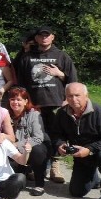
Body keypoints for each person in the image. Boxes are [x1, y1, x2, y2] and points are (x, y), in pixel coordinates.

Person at [18, 26, 78, 183]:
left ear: (53, 37)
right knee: (36, 138)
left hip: (56, 104)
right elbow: (21, 83)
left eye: (47, 35)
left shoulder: (62, 56)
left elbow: (73, 81)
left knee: (55, 136)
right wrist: (26, 103)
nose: (44, 38)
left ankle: (54, 166)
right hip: (34, 106)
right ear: (36, 38)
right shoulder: (27, 57)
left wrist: (60, 75)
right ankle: (37, 166)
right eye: (41, 35)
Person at [56, 83, 101, 199]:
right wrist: (60, 143)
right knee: (76, 192)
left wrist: (89, 149)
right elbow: (56, 133)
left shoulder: (99, 113)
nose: (73, 99)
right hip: (81, 155)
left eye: (77, 95)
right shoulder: (62, 113)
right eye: (69, 96)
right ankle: (94, 179)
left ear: (86, 95)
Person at [6, 87, 49, 196]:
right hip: (12, 151)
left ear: (26, 101)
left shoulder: (34, 114)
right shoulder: (5, 114)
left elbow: (38, 137)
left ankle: (39, 184)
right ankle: (23, 171)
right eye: (12, 99)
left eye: (19, 99)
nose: (15, 102)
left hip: (30, 148)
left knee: (38, 150)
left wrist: (17, 145)